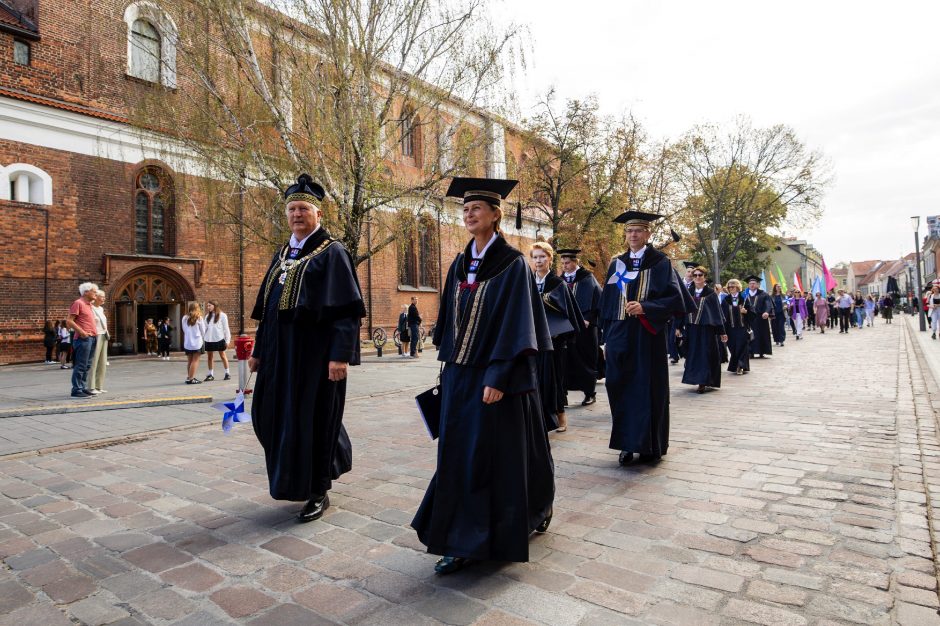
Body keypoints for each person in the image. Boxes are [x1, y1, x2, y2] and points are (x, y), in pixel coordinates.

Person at [412, 177, 554, 574]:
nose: (469, 213)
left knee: (491, 456)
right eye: (465, 208)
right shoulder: (460, 262)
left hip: (496, 380)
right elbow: (450, 318)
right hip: (460, 375)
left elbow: (517, 324)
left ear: (496, 215)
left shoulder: (512, 265)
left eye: (477, 208)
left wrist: (498, 375)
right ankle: (460, 532)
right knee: (459, 453)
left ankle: (476, 538)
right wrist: (447, 361)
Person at [248, 174, 366, 524]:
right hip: (279, 358)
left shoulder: (333, 252)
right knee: (271, 417)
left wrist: (340, 356)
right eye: (292, 209)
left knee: (312, 421)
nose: (297, 215)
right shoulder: (282, 253)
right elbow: (268, 309)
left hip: (315, 358)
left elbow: (346, 311)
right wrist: (259, 350)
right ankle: (292, 479)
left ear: (319, 215)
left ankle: (318, 490)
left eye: (304, 208)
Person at [598, 210, 685, 466]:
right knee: (619, 385)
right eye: (629, 231)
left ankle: (649, 445)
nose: (633, 235)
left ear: (648, 234)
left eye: (638, 230)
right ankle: (626, 443)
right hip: (619, 335)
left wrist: (646, 307)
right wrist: (605, 337)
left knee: (647, 388)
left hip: (647, 335)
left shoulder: (660, 262)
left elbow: (675, 299)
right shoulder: (617, 264)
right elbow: (607, 303)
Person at [530, 241, 583, 433]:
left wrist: (545, 300)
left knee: (554, 377)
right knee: (534, 377)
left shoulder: (558, 283)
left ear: (550, 259)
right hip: (532, 338)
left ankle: (560, 415)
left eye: (542, 256)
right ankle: (537, 418)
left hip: (555, 339)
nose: (538, 261)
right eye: (535, 257)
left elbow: (567, 309)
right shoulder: (527, 281)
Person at [559, 248, 602, 405]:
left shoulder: (587, 278)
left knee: (586, 359)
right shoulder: (561, 280)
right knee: (565, 359)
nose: (565, 266)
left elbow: (598, 300)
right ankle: (562, 395)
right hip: (566, 327)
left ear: (575, 262)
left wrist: (588, 319)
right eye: (562, 263)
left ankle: (590, 393)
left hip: (586, 328)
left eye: (568, 262)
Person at [681, 266, 726, 393]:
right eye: (695, 275)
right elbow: (681, 310)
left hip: (706, 329)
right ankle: (694, 378)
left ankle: (704, 381)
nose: (697, 277)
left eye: (700, 275)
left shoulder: (711, 293)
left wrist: (722, 331)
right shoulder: (688, 291)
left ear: (704, 277)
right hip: (691, 329)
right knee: (693, 354)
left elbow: (717, 313)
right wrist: (678, 327)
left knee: (705, 355)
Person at [66, 282, 99, 398]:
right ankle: (76, 389)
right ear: (86, 292)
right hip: (83, 338)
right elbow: (69, 321)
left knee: (87, 365)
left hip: (92, 338)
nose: (96, 293)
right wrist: (82, 332)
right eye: (94, 291)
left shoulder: (89, 305)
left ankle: (82, 387)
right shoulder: (78, 303)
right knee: (81, 365)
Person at [721, 279, 750, 375]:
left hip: (742, 328)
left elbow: (753, 312)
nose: (731, 288)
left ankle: (741, 366)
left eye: (733, 286)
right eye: (729, 287)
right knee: (733, 347)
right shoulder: (725, 300)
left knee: (741, 347)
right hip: (730, 329)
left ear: (738, 287)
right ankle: (737, 364)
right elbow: (722, 314)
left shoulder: (744, 299)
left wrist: (746, 312)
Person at [744, 276, 773, 358]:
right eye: (750, 284)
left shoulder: (764, 294)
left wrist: (766, 312)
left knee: (761, 335)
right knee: (749, 335)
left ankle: (761, 352)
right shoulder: (744, 295)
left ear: (757, 285)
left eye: (754, 283)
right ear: (748, 285)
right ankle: (750, 352)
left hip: (760, 318)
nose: (752, 285)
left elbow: (768, 304)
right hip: (749, 318)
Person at [87, 290, 109, 394]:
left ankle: (99, 386)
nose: (104, 298)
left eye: (104, 297)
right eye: (102, 297)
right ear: (96, 297)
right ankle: (91, 387)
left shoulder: (101, 308)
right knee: (94, 361)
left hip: (104, 335)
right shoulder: (90, 308)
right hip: (96, 335)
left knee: (102, 362)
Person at [203, 301, 232, 380]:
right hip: (209, 339)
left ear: (214, 306)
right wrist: (202, 339)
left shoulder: (222, 315)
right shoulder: (207, 317)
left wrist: (227, 340)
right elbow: (204, 329)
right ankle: (210, 374)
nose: (208, 307)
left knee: (222, 355)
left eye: (209, 305)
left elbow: (226, 329)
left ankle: (227, 373)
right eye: (207, 306)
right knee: (210, 357)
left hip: (219, 338)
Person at [181, 303, 207, 384]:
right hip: (197, 342)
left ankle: (189, 377)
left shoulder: (185, 318)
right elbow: (203, 331)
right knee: (195, 361)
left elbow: (184, 329)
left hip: (188, 342)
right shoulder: (199, 318)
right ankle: (191, 378)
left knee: (189, 361)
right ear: (197, 308)